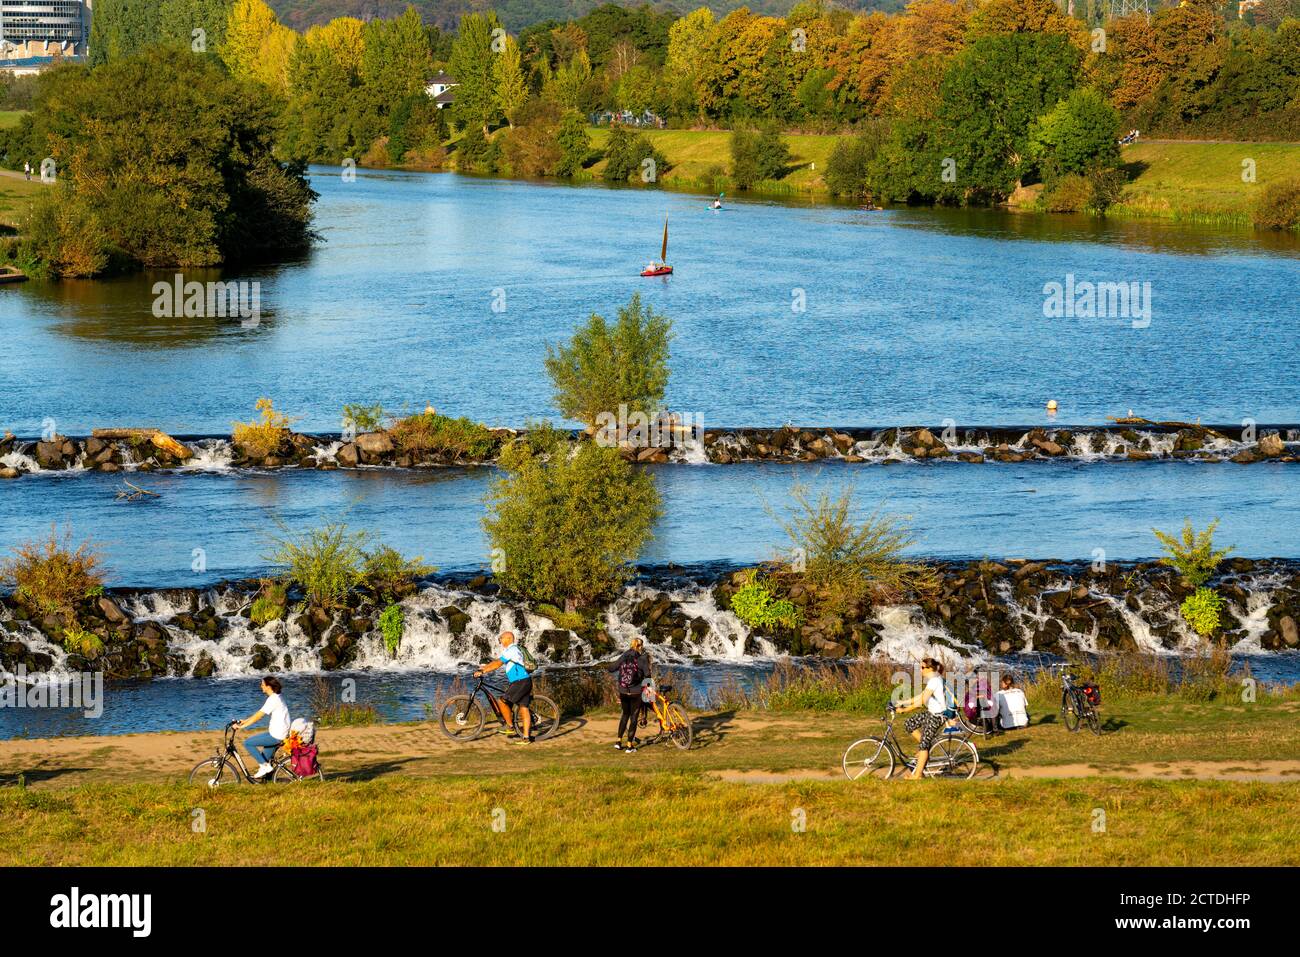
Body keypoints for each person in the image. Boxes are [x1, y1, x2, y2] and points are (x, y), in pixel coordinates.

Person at [892, 658, 952, 779]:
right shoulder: (934, 679)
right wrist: (904, 701)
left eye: (923, 667)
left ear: (930, 669)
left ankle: (918, 775)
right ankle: (925, 747)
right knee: (910, 724)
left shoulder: (934, 681)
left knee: (923, 746)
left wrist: (905, 709)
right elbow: (921, 696)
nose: (920, 670)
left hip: (936, 716)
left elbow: (921, 701)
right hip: (931, 712)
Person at [475, 631, 533, 743]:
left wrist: (483, 671)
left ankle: (510, 726)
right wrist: (483, 668)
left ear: (508, 639)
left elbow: (498, 663)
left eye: (501, 638)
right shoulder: (514, 649)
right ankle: (526, 738)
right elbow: (496, 662)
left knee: (502, 701)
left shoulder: (512, 650)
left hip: (520, 682)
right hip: (525, 681)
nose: (500, 640)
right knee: (523, 708)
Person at [234, 676, 291, 779]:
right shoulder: (277, 696)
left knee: (248, 743)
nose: (261, 686)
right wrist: (245, 721)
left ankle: (265, 767)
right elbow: (259, 712)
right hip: (277, 733)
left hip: (276, 735)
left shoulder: (273, 699)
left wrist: (242, 727)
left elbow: (258, 716)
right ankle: (267, 774)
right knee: (264, 758)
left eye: (262, 684)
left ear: (268, 686)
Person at [608, 637, 650, 752]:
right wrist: (648, 690)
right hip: (636, 692)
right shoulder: (642, 658)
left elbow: (612, 668)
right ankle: (630, 746)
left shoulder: (624, 656)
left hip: (623, 691)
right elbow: (647, 675)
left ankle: (618, 741)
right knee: (634, 717)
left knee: (625, 715)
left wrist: (608, 664)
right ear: (640, 647)